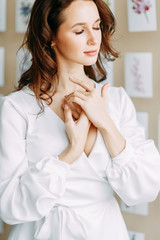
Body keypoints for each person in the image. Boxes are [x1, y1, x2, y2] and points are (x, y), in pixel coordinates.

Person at [0, 0, 160, 239]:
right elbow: (8, 207)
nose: (94, 39)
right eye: (79, 30)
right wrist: (70, 153)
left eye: (96, 26)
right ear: (51, 36)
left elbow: (145, 189)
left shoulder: (115, 100)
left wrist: (105, 123)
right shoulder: (17, 107)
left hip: (106, 231)